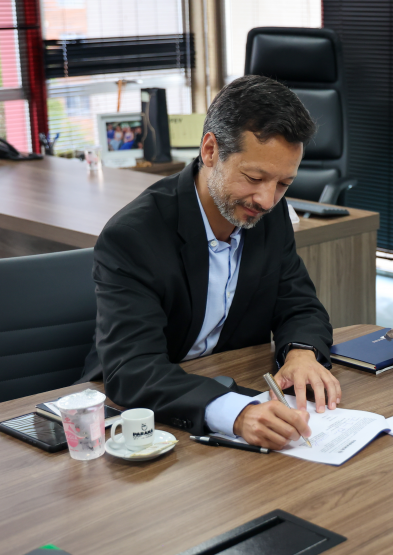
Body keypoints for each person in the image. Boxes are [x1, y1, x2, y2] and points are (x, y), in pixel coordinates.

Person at [81, 75, 342, 449]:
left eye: (283, 184)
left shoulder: (270, 216)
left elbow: (299, 303)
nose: (267, 199)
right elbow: (131, 370)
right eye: (254, 177)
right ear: (209, 151)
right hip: (149, 419)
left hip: (233, 383)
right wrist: (234, 413)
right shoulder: (133, 236)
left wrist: (301, 352)